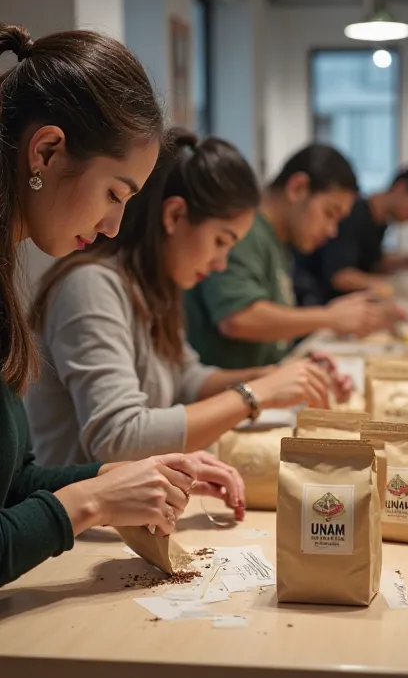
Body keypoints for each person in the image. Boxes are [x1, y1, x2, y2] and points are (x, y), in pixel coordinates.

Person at [0, 21, 231, 588]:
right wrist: (93, 500)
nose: (112, 226)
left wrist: (120, 475)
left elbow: (15, 482)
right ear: (47, 151)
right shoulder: (87, 283)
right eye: (113, 194)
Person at [27, 129, 336, 480]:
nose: (221, 263)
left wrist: (267, 378)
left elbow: (184, 376)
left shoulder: (152, 286)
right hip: (78, 524)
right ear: (174, 215)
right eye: (221, 241)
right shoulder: (90, 286)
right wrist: (255, 394)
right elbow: (118, 437)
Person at [185, 144, 401, 370]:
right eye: (330, 213)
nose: (332, 230)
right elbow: (237, 318)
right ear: (298, 188)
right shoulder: (246, 231)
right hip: (223, 390)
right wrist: (330, 317)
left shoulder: (278, 239)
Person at [294, 166, 408, 305]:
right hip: (319, 303)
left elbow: (367, 262)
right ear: (400, 187)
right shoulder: (354, 213)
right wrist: (395, 285)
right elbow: (339, 276)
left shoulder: (380, 223)